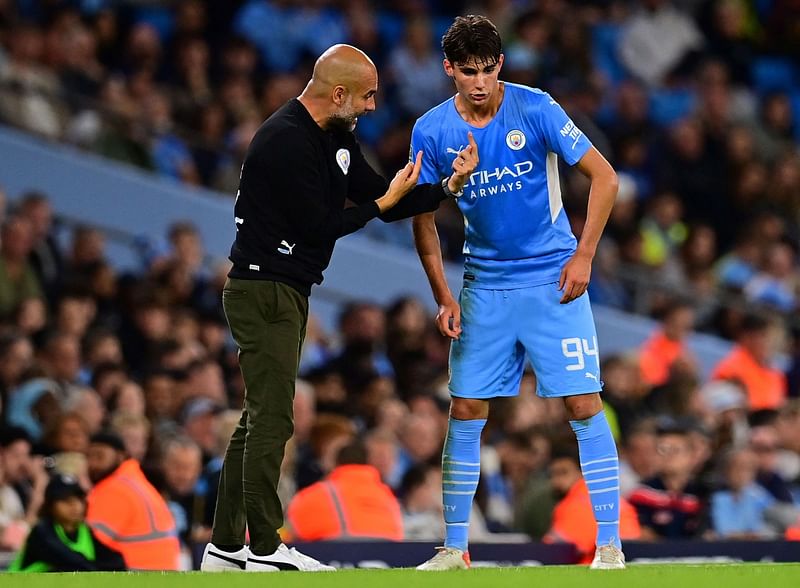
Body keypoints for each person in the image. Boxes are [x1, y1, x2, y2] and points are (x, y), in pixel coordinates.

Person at [200, 43, 478, 573]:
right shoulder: (284, 141)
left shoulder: (334, 135)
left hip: (287, 289)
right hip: (263, 289)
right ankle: (262, 547)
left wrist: (445, 187)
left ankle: (225, 546)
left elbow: (382, 192)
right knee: (273, 419)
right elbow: (322, 225)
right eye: (369, 96)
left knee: (258, 419)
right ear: (340, 92)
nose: (374, 107)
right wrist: (379, 205)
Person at [410, 16, 622, 570]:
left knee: (583, 403)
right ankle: (454, 548)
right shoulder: (431, 132)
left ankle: (610, 544)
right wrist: (442, 294)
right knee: (465, 408)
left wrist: (584, 254)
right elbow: (422, 217)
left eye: (487, 70)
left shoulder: (537, 108)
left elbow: (606, 177)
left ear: (499, 65)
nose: (478, 83)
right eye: (467, 72)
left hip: (555, 278)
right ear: (449, 69)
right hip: (485, 285)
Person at [85, 431, 180, 570]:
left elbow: (87, 543)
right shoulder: (134, 481)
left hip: (135, 576)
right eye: (89, 457)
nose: (92, 464)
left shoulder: (114, 490)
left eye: (100, 456)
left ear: (120, 456)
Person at [9, 473, 127, 572]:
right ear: (50, 506)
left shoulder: (84, 531)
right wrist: (97, 567)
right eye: (65, 500)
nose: (74, 505)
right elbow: (71, 562)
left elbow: (117, 562)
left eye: (78, 499)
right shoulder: (42, 532)